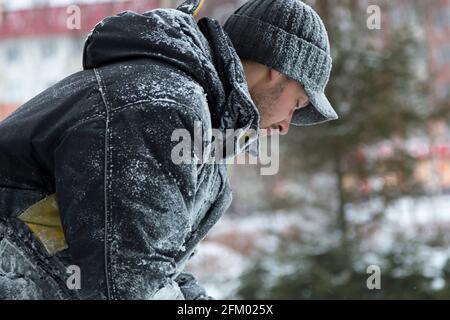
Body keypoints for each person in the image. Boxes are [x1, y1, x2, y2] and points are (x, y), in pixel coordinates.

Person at [0, 0, 338, 299]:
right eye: (296, 104)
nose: (284, 126)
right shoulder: (164, 106)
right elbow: (130, 281)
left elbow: (158, 266)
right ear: (276, 70)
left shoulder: (200, 127)